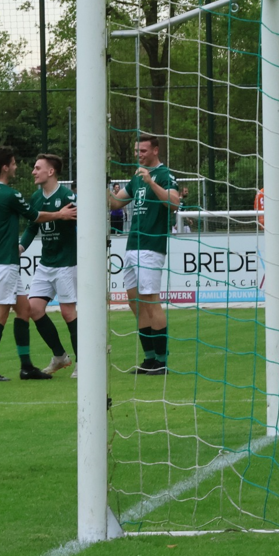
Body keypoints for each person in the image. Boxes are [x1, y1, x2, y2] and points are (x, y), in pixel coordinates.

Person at [0, 146, 76, 382]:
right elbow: (34, 218)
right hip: (5, 263)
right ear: (5, 167)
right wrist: (59, 215)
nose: (20, 168)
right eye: (15, 163)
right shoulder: (11, 194)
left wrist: (17, 245)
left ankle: (28, 367)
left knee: (26, 310)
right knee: (0, 315)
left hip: (10, 260)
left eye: (37, 167)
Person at [109, 134, 180, 375]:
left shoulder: (163, 174)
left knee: (151, 301)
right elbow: (115, 203)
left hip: (151, 245)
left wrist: (151, 181)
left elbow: (174, 203)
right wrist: (102, 186)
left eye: (143, 150)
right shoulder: (137, 176)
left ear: (155, 150)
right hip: (133, 245)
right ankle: (149, 359)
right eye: (136, 150)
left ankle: (161, 361)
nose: (138, 154)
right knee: (135, 302)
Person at [20, 154, 78, 378]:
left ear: (51, 172)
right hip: (46, 264)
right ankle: (60, 357)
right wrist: (20, 247)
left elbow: (84, 222)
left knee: (67, 312)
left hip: (66, 263)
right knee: (33, 309)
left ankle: (83, 362)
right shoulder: (36, 197)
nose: (33, 172)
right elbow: (32, 227)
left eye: (37, 168)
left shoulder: (67, 196)